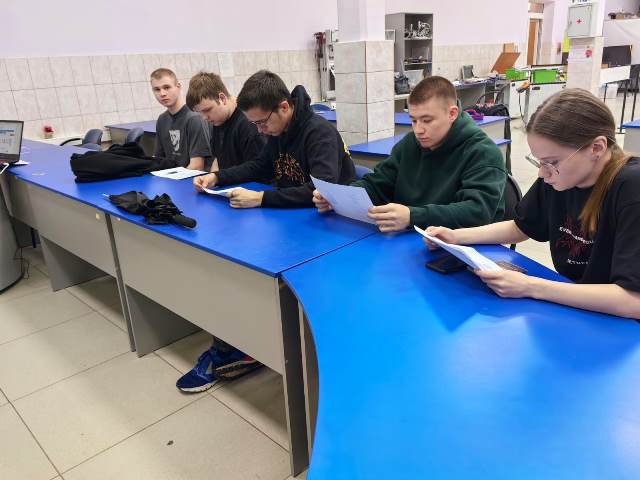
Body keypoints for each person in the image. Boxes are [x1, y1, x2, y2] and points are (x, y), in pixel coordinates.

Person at [424, 88, 640, 319]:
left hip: (621, 323)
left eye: (551, 162)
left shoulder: (631, 188)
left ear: (596, 148)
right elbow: (521, 227)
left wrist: (530, 286)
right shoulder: (563, 177)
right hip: (578, 306)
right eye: (539, 162)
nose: (542, 174)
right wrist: (456, 237)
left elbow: (632, 301)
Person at [312, 76, 507, 232]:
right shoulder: (410, 144)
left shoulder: (482, 153)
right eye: (413, 120)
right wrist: (338, 198)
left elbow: (477, 212)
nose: (418, 130)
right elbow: (379, 184)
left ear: (452, 113)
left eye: (427, 120)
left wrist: (412, 216)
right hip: (412, 240)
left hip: (464, 248)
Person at [193, 69, 355, 208]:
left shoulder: (320, 133)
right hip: (292, 212)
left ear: (284, 107)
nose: (259, 130)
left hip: (332, 216)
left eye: (262, 122)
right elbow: (259, 166)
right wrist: (217, 177)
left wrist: (261, 198)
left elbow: (322, 190)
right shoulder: (278, 130)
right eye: (255, 123)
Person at [186, 72, 265, 174]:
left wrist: (218, 178)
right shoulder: (218, 120)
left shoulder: (248, 124)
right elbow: (218, 160)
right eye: (200, 113)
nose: (204, 117)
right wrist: (211, 178)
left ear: (222, 98)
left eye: (207, 110)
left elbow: (258, 171)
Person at [150, 68, 212, 170]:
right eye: (157, 89)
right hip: (173, 176)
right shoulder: (162, 120)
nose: (162, 93)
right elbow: (158, 159)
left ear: (178, 87)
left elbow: (197, 166)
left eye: (167, 87)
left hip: (194, 177)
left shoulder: (194, 118)